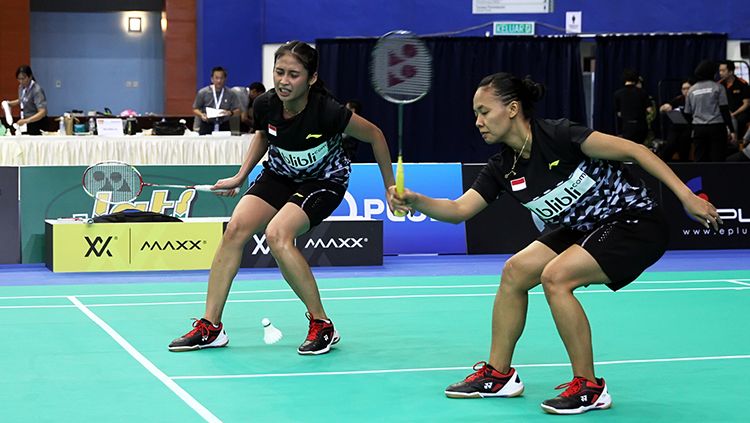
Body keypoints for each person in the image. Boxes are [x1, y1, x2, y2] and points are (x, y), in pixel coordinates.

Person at [390, 72, 722, 414]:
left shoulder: (561, 135)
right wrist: (415, 199)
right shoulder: (502, 166)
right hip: (580, 227)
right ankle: (499, 375)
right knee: (515, 271)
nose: (478, 122)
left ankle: (590, 387)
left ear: (513, 109)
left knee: (556, 276)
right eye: (476, 114)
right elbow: (459, 210)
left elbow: (635, 151)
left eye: (484, 111)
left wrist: (686, 196)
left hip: (633, 220)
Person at [169, 41, 399, 355]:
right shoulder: (264, 104)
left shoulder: (328, 110)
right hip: (279, 174)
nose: (283, 81)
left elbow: (375, 135)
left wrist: (390, 186)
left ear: (311, 79)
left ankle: (322, 324)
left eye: (293, 74)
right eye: (279, 72)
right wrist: (240, 175)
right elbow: (264, 135)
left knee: (278, 235)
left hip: (324, 180)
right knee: (235, 229)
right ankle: (211, 327)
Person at [684, 60, 736, 162]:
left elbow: (687, 113)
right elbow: (724, 110)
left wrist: (693, 128)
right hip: (716, 128)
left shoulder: (691, 90)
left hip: (699, 129)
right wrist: (732, 130)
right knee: (718, 158)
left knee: (700, 159)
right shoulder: (718, 88)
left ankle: (702, 178)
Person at [192, 66, 241, 135]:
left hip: (224, 125)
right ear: (212, 79)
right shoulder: (203, 92)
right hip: (207, 124)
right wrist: (201, 115)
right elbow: (195, 108)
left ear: (225, 79)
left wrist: (231, 113)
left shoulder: (231, 93)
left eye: (221, 78)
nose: (219, 81)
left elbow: (238, 111)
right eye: (216, 78)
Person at [1, 65, 47, 135]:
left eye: (23, 78)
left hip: (36, 122)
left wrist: (27, 120)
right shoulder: (21, 87)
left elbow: (42, 112)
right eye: (19, 79)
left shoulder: (37, 90)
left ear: (30, 77)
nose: (21, 81)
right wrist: (9, 104)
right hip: (25, 121)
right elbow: (22, 100)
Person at [613, 69, 652, 144]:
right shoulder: (642, 92)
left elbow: (619, 113)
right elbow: (649, 109)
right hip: (641, 126)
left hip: (627, 127)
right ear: (636, 79)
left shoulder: (617, 94)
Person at [658, 79, 692, 161]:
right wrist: (664, 107)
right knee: (670, 145)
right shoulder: (678, 99)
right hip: (676, 127)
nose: (686, 91)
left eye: (688, 88)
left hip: (688, 128)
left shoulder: (694, 99)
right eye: (684, 89)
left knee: (684, 145)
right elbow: (664, 108)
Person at [718, 60, 750, 140]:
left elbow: (746, 104)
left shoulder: (742, 83)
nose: (720, 73)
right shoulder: (718, 85)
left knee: (740, 120)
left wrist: (733, 114)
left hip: (740, 112)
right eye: (719, 70)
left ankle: (739, 142)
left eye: (723, 70)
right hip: (725, 112)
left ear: (731, 72)